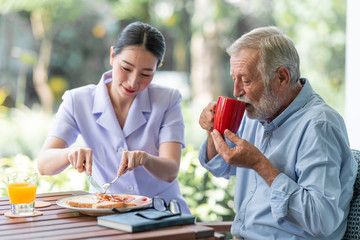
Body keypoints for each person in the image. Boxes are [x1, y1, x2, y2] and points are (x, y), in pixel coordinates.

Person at [198, 26, 357, 239]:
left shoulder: (319, 125)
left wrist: (260, 165)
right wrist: (212, 130)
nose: (236, 92)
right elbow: (220, 167)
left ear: (282, 77)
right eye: (234, 79)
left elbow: (322, 221)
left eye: (245, 80)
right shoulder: (259, 111)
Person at [37, 21, 190, 214]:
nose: (133, 82)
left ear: (156, 69)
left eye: (146, 74)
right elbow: (43, 164)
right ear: (112, 56)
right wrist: (70, 153)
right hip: (106, 213)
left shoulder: (167, 100)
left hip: (163, 212)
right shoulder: (78, 101)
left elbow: (170, 171)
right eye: (126, 68)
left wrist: (146, 159)